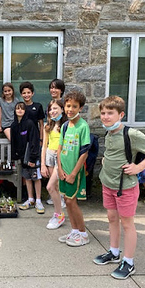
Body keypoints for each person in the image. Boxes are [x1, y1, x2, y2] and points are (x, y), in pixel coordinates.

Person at [94, 96, 145, 280]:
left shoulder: (131, 134)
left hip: (125, 187)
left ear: (121, 114)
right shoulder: (109, 133)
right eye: (103, 113)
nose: (106, 117)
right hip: (108, 183)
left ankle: (129, 262)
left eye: (110, 113)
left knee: (127, 223)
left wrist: (138, 167)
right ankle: (114, 251)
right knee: (111, 218)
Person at [57, 91, 90, 247]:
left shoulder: (83, 126)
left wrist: (73, 173)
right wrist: (59, 169)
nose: (70, 109)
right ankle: (74, 230)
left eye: (74, 106)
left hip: (74, 172)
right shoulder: (64, 126)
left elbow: (84, 153)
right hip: (63, 171)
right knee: (67, 201)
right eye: (68, 105)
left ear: (80, 108)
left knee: (72, 201)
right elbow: (59, 149)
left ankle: (83, 233)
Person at [11, 102, 43, 213]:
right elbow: (14, 143)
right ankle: (30, 199)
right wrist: (14, 156)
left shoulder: (29, 124)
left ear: (25, 111)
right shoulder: (14, 125)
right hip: (22, 158)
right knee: (27, 178)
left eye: (22, 109)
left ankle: (38, 200)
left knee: (36, 177)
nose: (19, 110)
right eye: (17, 109)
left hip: (31, 156)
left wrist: (33, 158)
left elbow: (34, 140)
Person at [18, 81, 45, 214]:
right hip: (25, 145)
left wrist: (41, 140)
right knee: (27, 173)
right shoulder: (20, 107)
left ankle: (39, 200)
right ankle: (30, 198)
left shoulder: (38, 107)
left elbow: (41, 124)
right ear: (21, 94)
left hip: (35, 144)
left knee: (36, 173)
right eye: (24, 93)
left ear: (32, 93)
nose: (26, 95)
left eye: (29, 92)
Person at [41, 99, 67, 229]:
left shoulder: (66, 125)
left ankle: (59, 215)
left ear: (62, 109)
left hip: (60, 158)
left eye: (55, 108)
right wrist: (43, 164)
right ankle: (58, 214)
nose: (53, 111)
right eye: (50, 109)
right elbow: (44, 146)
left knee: (50, 187)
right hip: (50, 157)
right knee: (54, 188)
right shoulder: (48, 125)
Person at [46, 78, 65, 206]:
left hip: (60, 150)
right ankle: (54, 196)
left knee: (58, 177)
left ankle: (61, 198)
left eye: (56, 87)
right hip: (50, 147)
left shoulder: (64, 105)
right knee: (52, 176)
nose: (53, 90)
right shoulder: (50, 105)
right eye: (51, 88)